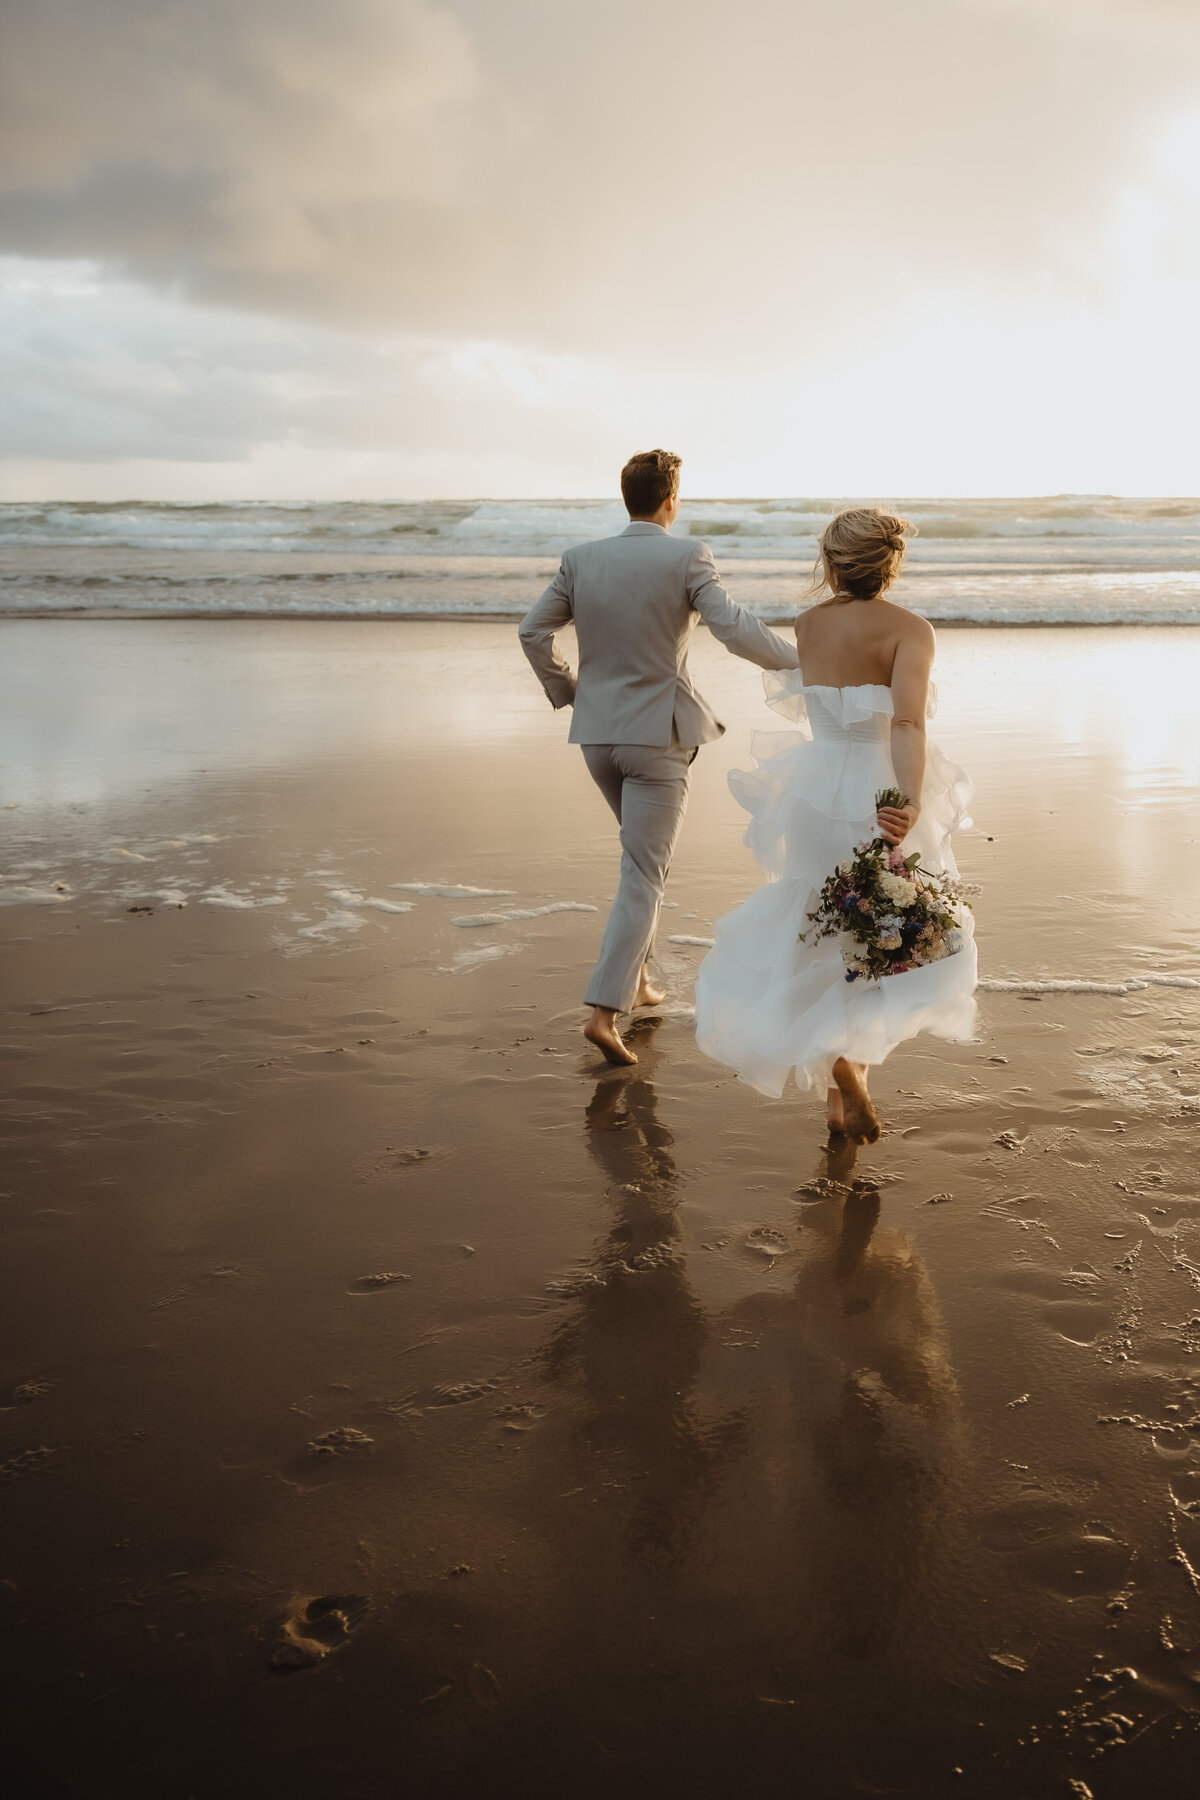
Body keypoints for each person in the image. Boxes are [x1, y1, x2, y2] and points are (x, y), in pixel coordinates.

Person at [694, 505, 978, 1142]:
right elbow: (906, 723)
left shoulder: (808, 624)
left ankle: (838, 1101)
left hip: (814, 789)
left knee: (822, 930)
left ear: (830, 564)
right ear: (892, 563)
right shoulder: (912, 629)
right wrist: (906, 802)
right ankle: (848, 1060)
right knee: (888, 931)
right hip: (877, 786)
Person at [518, 448, 800, 1066]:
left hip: (597, 739)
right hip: (657, 741)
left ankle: (640, 982)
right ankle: (602, 1010)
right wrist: (802, 659)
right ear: (672, 497)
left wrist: (569, 691)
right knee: (643, 875)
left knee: (638, 862)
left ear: (628, 497)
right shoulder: (687, 556)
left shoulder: (581, 560)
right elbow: (732, 628)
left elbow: (532, 632)